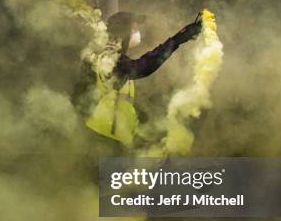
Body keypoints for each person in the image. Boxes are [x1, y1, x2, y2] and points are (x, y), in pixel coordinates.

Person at [74, 11, 202, 146]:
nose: (137, 33)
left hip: (111, 138)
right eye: (133, 29)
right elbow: (143, 67)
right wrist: (178, 39)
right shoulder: (109, 58)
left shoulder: (112, 57)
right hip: (101, 139)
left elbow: (121, 103)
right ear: (123, 34)